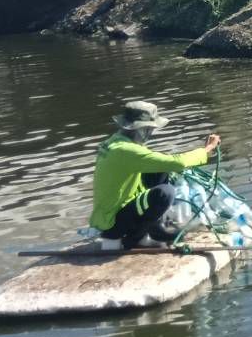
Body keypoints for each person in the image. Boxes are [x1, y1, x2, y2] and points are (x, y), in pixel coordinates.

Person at [90, 101, 220, 251]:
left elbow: (161, 163)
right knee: (165, 193)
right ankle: (133, 239)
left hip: (111, 214)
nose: (150, 134)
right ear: (140, 129)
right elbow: (178, 163)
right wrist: (207, 150)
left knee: (160, 168)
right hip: (113, 224)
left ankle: (151, 228)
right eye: (149, 129)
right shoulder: (126, 150)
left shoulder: (115, 141)